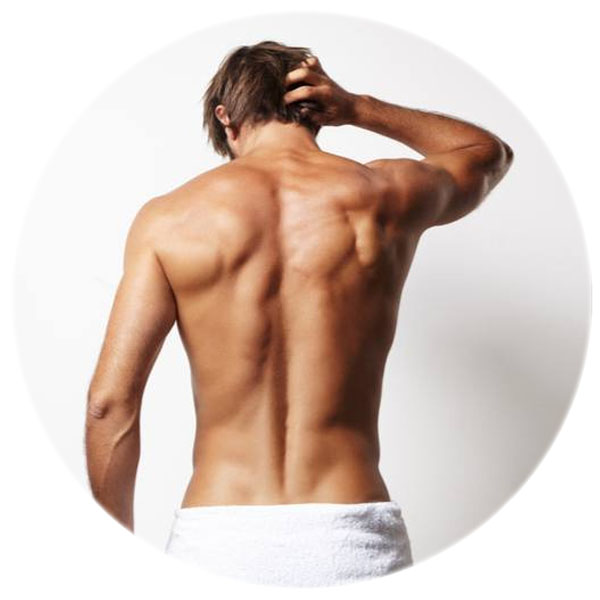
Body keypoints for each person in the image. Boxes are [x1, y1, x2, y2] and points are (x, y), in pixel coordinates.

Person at [85, 40, 513, 587]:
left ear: (226, 118)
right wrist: (359, 107)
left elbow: (109, 405)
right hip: (352, 536)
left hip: (218, 540)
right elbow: (486, 152)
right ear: (315, 110)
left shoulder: (169, 219)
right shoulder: (384, 194)